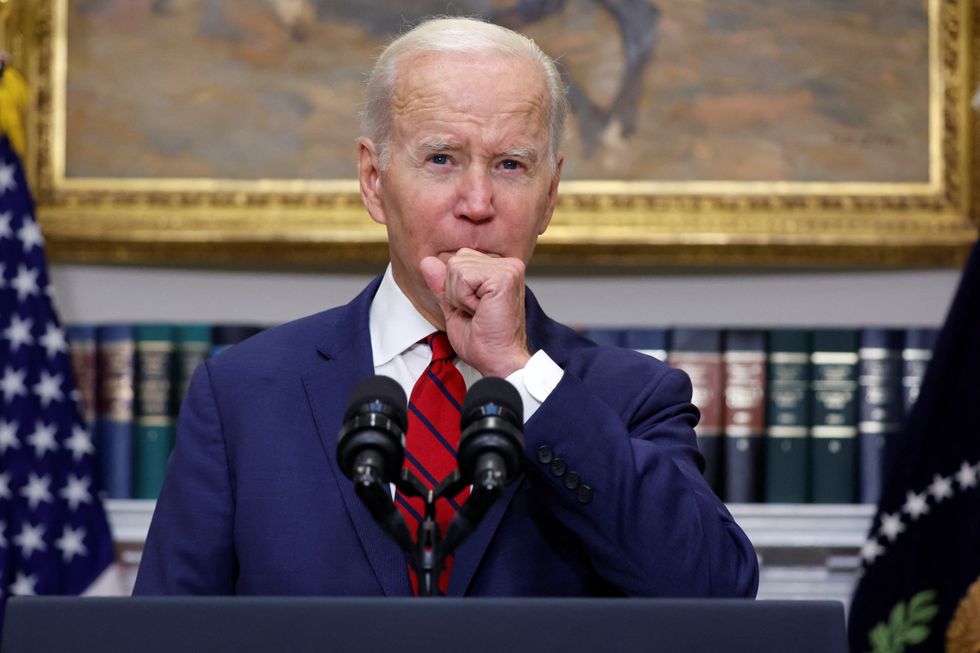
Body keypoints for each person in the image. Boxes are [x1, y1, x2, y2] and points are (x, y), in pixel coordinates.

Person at [133, 16, 758, 598]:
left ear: (549, 196)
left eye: (510, 165)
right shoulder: (242, 394)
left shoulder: (633, 397)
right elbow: (166, 634)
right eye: (441, 159)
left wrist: (517, 372)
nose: (477, 203)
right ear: (373, 180)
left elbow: (715, 587)